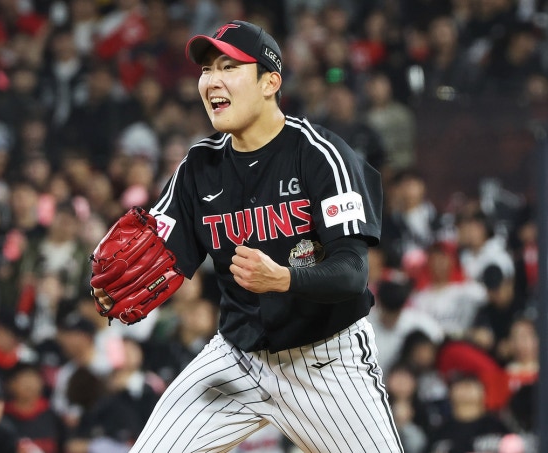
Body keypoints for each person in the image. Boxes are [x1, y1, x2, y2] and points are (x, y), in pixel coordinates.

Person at [92, 20, 403, 452]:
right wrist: (113, 283)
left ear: (269, 82)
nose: (211, 81)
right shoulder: (199, 167)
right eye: (206, 70)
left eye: (228, 67)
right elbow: (156, 251)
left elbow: (352, 273)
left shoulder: (320, 155)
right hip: (236, 359)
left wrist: (283, 279)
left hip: (326, 361)